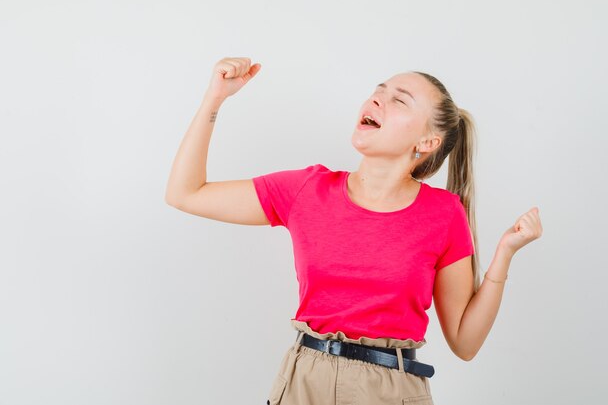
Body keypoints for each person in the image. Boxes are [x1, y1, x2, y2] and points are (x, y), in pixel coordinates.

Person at [165, 57, 543, 405]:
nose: (378, 99)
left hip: (392, 390)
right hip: (303, 383)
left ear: (427, 142)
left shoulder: (443, 214)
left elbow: (465, 342)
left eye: (399, 100)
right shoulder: (307, 190)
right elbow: (185, 193)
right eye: (379, 91)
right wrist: (214, 99)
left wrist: (504, 254)